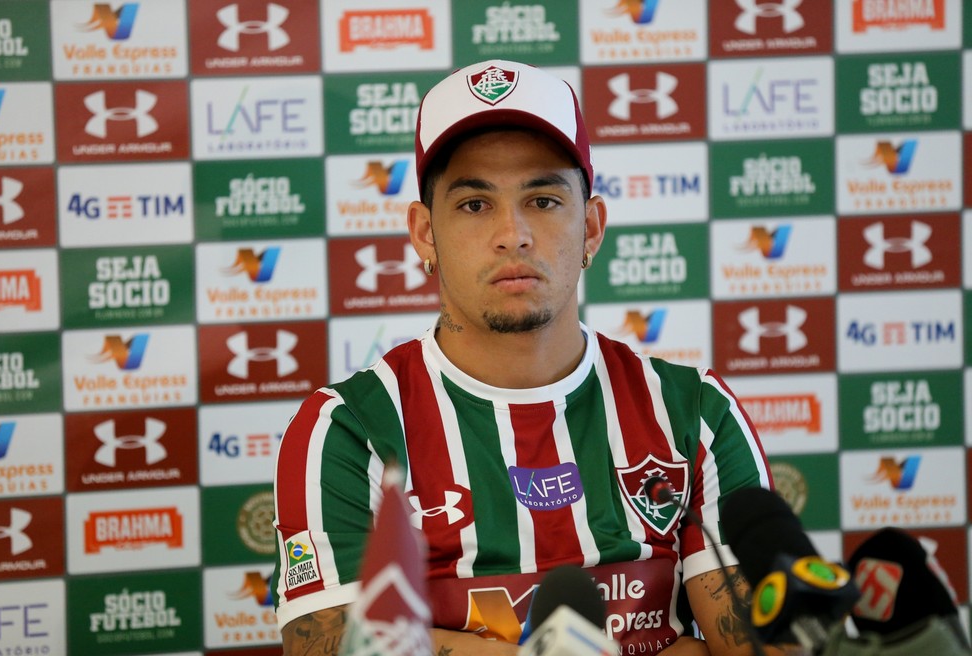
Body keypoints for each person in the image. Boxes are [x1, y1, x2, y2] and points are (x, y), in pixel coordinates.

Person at [273, 60, 775, 656]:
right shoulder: (347, 429)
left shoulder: (693, 409)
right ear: (424, 233)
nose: (513, 233)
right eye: (475, 205)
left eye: (541, 198)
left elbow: (755, 647)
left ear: (590, 226)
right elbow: (329, 646)